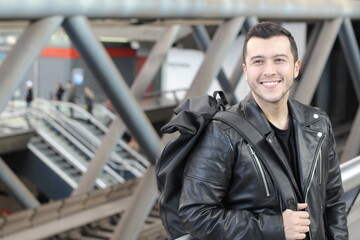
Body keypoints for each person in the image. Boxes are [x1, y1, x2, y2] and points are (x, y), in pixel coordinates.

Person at [178, 22, 348, 240]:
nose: (269, 71)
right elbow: (195, 214)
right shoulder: (222, 132)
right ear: (246, 70)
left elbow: (333, 200)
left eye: (279, 60)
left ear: (296, 67)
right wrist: (276, 227)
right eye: (258, 61)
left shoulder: (318, 123)